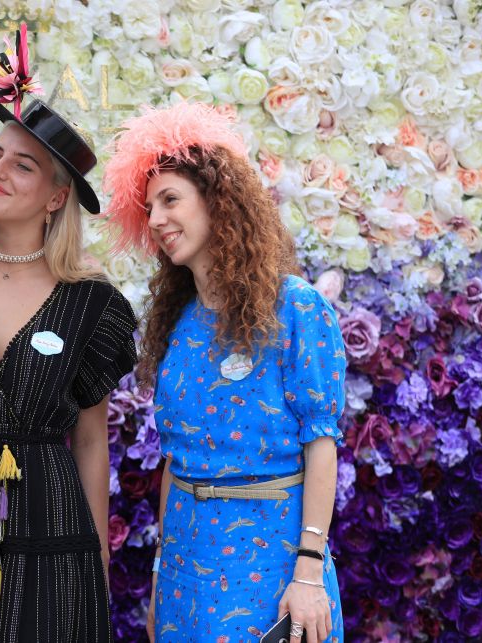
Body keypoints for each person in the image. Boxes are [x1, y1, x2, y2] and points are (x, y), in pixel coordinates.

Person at [0, 25, 138, 643]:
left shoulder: (93, 303)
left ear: (55, 197)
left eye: (23, 166)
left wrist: (96, 564)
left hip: (54, 536)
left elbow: (92, 443)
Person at [102, 102, 345, 643]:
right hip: (186, 569)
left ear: (218, 201)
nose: (157, 219)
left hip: (273, 563)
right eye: (150, 208)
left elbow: (321, 440)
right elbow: (174, 460)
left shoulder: (295, 307)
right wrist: (162, 576)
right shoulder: (181, 322)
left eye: (171, 200)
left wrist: (308, 573)